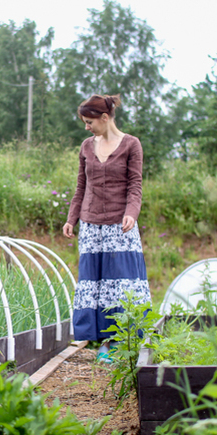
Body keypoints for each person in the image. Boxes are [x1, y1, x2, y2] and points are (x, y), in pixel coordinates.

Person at [62, 94, 152, 363]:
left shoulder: (131, 145)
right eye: (84, 122)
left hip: (120, 226)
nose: (86, 127)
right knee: (94, 282)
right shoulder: (86, 147)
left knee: (120, 282)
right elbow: (81, 187)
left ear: (105, 117)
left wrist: (131, 214)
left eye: (90, 122)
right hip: (90, 226)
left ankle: (119, 340)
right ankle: (97, 340)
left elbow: (135, 186)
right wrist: (71, 218)